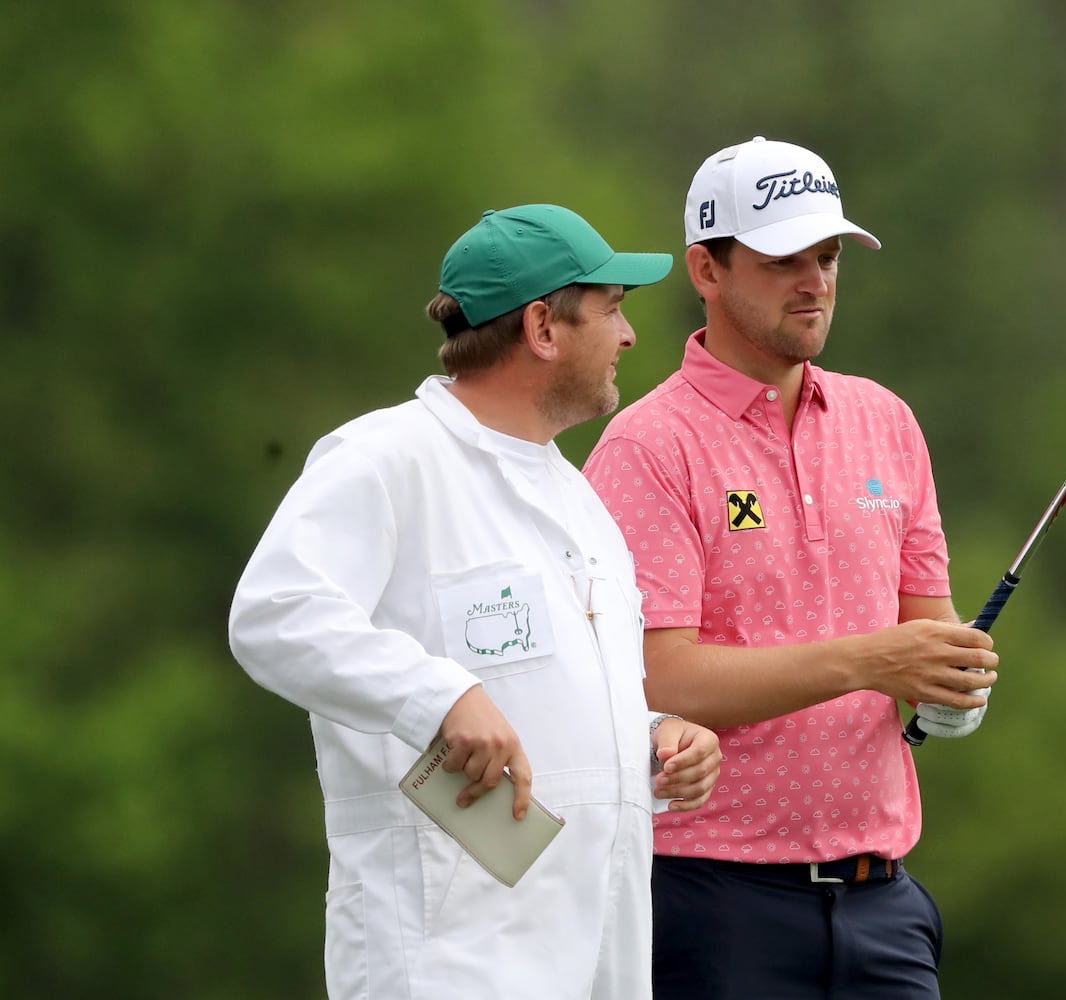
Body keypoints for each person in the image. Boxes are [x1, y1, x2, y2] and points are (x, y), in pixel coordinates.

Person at [228, 203, 721, 1000]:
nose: (629, 336)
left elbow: (554, 703)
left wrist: (658, 740)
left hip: (599, 951)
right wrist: (441, 693)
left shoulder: (578, 500)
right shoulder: (386, 457)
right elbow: (275, 615)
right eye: (613, 310)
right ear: (542, 326)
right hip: (444, 959)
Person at [582, 138, 999, 998]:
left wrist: (951, 688)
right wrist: (869, 661)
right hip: (712, 900)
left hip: (885, 901)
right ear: (707, 267)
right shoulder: (649, 447)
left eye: (829, 256)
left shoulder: (885, 420)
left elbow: (928, 630)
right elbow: (661, 674)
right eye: (783, 261)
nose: (815, 281)